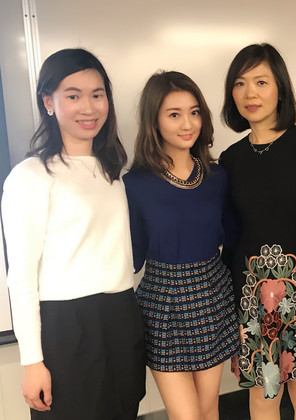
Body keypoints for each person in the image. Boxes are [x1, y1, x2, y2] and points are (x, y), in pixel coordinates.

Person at [1, 48, 145, 420]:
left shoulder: (113, 172)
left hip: (120, 316)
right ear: (48, 102)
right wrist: (32, 361)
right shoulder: (31, 175)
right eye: (73, 95)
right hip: (66, 327)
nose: (89, 107)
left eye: (97, 95)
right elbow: (20, 276)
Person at [220, 43, 296, 420]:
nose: (249, 93)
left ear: (280, 88)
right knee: (263, 395)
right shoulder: (231, 159)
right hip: (252, 299)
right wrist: (233, 312)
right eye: (240, 84)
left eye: (261, 82)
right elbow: (232, 240)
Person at [123, 71, 239, 420]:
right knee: (186, 416)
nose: (188, 124)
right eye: (174, 114)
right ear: (154, 121)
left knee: (208, 409)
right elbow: (131, 257)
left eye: (194, 112)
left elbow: (233, 241)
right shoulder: (135, 184)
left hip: (212, 296)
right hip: (162, 302)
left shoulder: (218, 177)